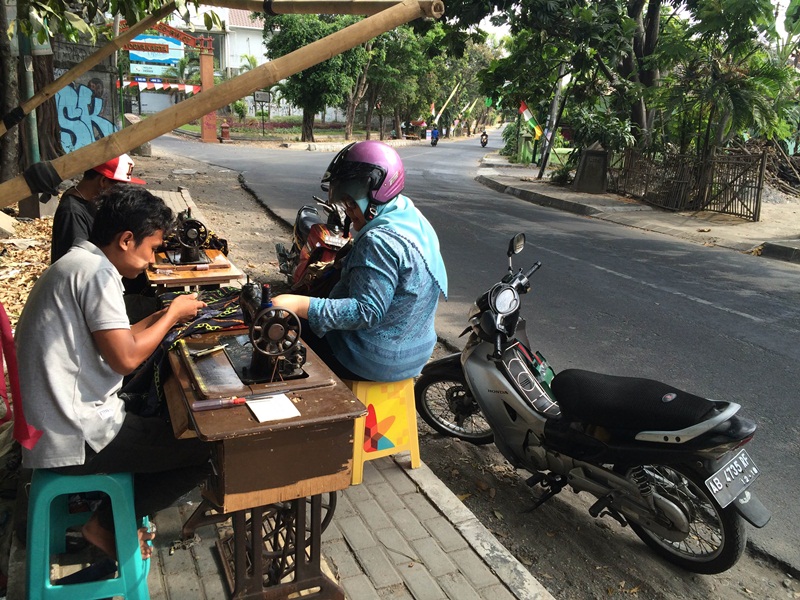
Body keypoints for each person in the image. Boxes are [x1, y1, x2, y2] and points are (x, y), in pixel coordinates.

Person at [15, 184, 211, 559]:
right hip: (74, 435)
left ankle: (117, 514)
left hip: (53, 425)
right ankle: (105, 525)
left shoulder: (79, 264)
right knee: (206, 448)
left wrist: (165, 316)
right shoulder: (97, 276)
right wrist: (172, 314)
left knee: (159, 423)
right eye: (151, 248)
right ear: (126, 240)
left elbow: (118, 338)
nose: (151, 260)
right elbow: (125, 358)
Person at [273, 141, 448, 382]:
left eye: (352, 202)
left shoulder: (379, 241)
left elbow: (366, 312)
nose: (348, 210)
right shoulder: (410, 217)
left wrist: (295, 303)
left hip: (374, 360)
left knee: (287, 333)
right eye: (346, 202)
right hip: (415, 352)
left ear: (376, 196)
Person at [51, 153, 146, 264]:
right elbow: (78, 262)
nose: (122, 192)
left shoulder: (90, 199)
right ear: (103, 181)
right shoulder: (72, 213)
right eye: (120, 187)